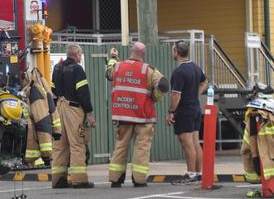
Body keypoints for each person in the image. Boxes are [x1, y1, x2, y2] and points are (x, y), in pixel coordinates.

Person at [107, 42, 169, 188]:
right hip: (143, 117)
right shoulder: (148, 70)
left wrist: (113, 57)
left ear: (131, 51)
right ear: (143, 54)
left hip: (123, 115)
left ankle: (115, 179)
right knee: (141, 148)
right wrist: (155, 97)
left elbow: (108, 73)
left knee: (120, 147)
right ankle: (139, 180)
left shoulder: (118, 66)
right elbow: (164, 84)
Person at [51, 43, 96, 189]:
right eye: (80, 54)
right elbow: (83, 92)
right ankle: (79, 180)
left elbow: (52, 91)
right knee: (77, 144)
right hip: (73, 109)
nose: (81, 56)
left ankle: (58, 180)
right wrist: (88, 112)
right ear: (76, 54)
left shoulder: (57, 68)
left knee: (59, 145)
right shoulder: (77, 69)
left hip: (59, 107)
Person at [166, 40, 207, 184]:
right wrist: (195, 94)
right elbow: (204, 82)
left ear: (176, 52)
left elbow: (176, 95)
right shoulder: (195, 67)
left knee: (187, 143)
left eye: (173, 50)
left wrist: (171, 111)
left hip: (184, 110)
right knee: (195, 142)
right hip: (195, 108)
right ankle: (198, 173)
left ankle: (191, 175)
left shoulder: (179, 71)